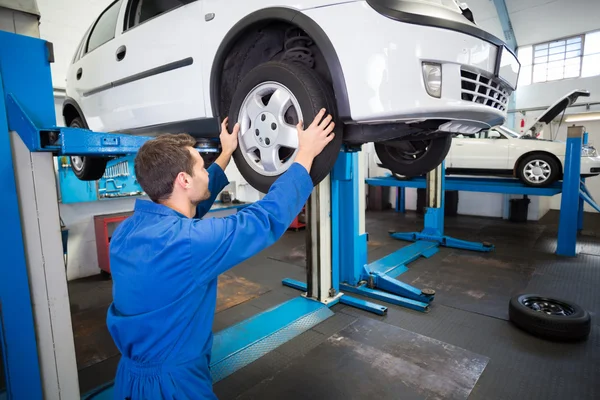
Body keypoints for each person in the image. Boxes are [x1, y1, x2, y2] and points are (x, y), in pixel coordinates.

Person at [106, 109, 336, 399]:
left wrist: (227, 152)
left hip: (128, 379)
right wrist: (306, 154)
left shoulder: (127, 232)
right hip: (173, 387)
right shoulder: (189, 244)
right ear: (183, 181)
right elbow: (264, 219)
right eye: (202, 167)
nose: (206, 171)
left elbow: (188, 211)